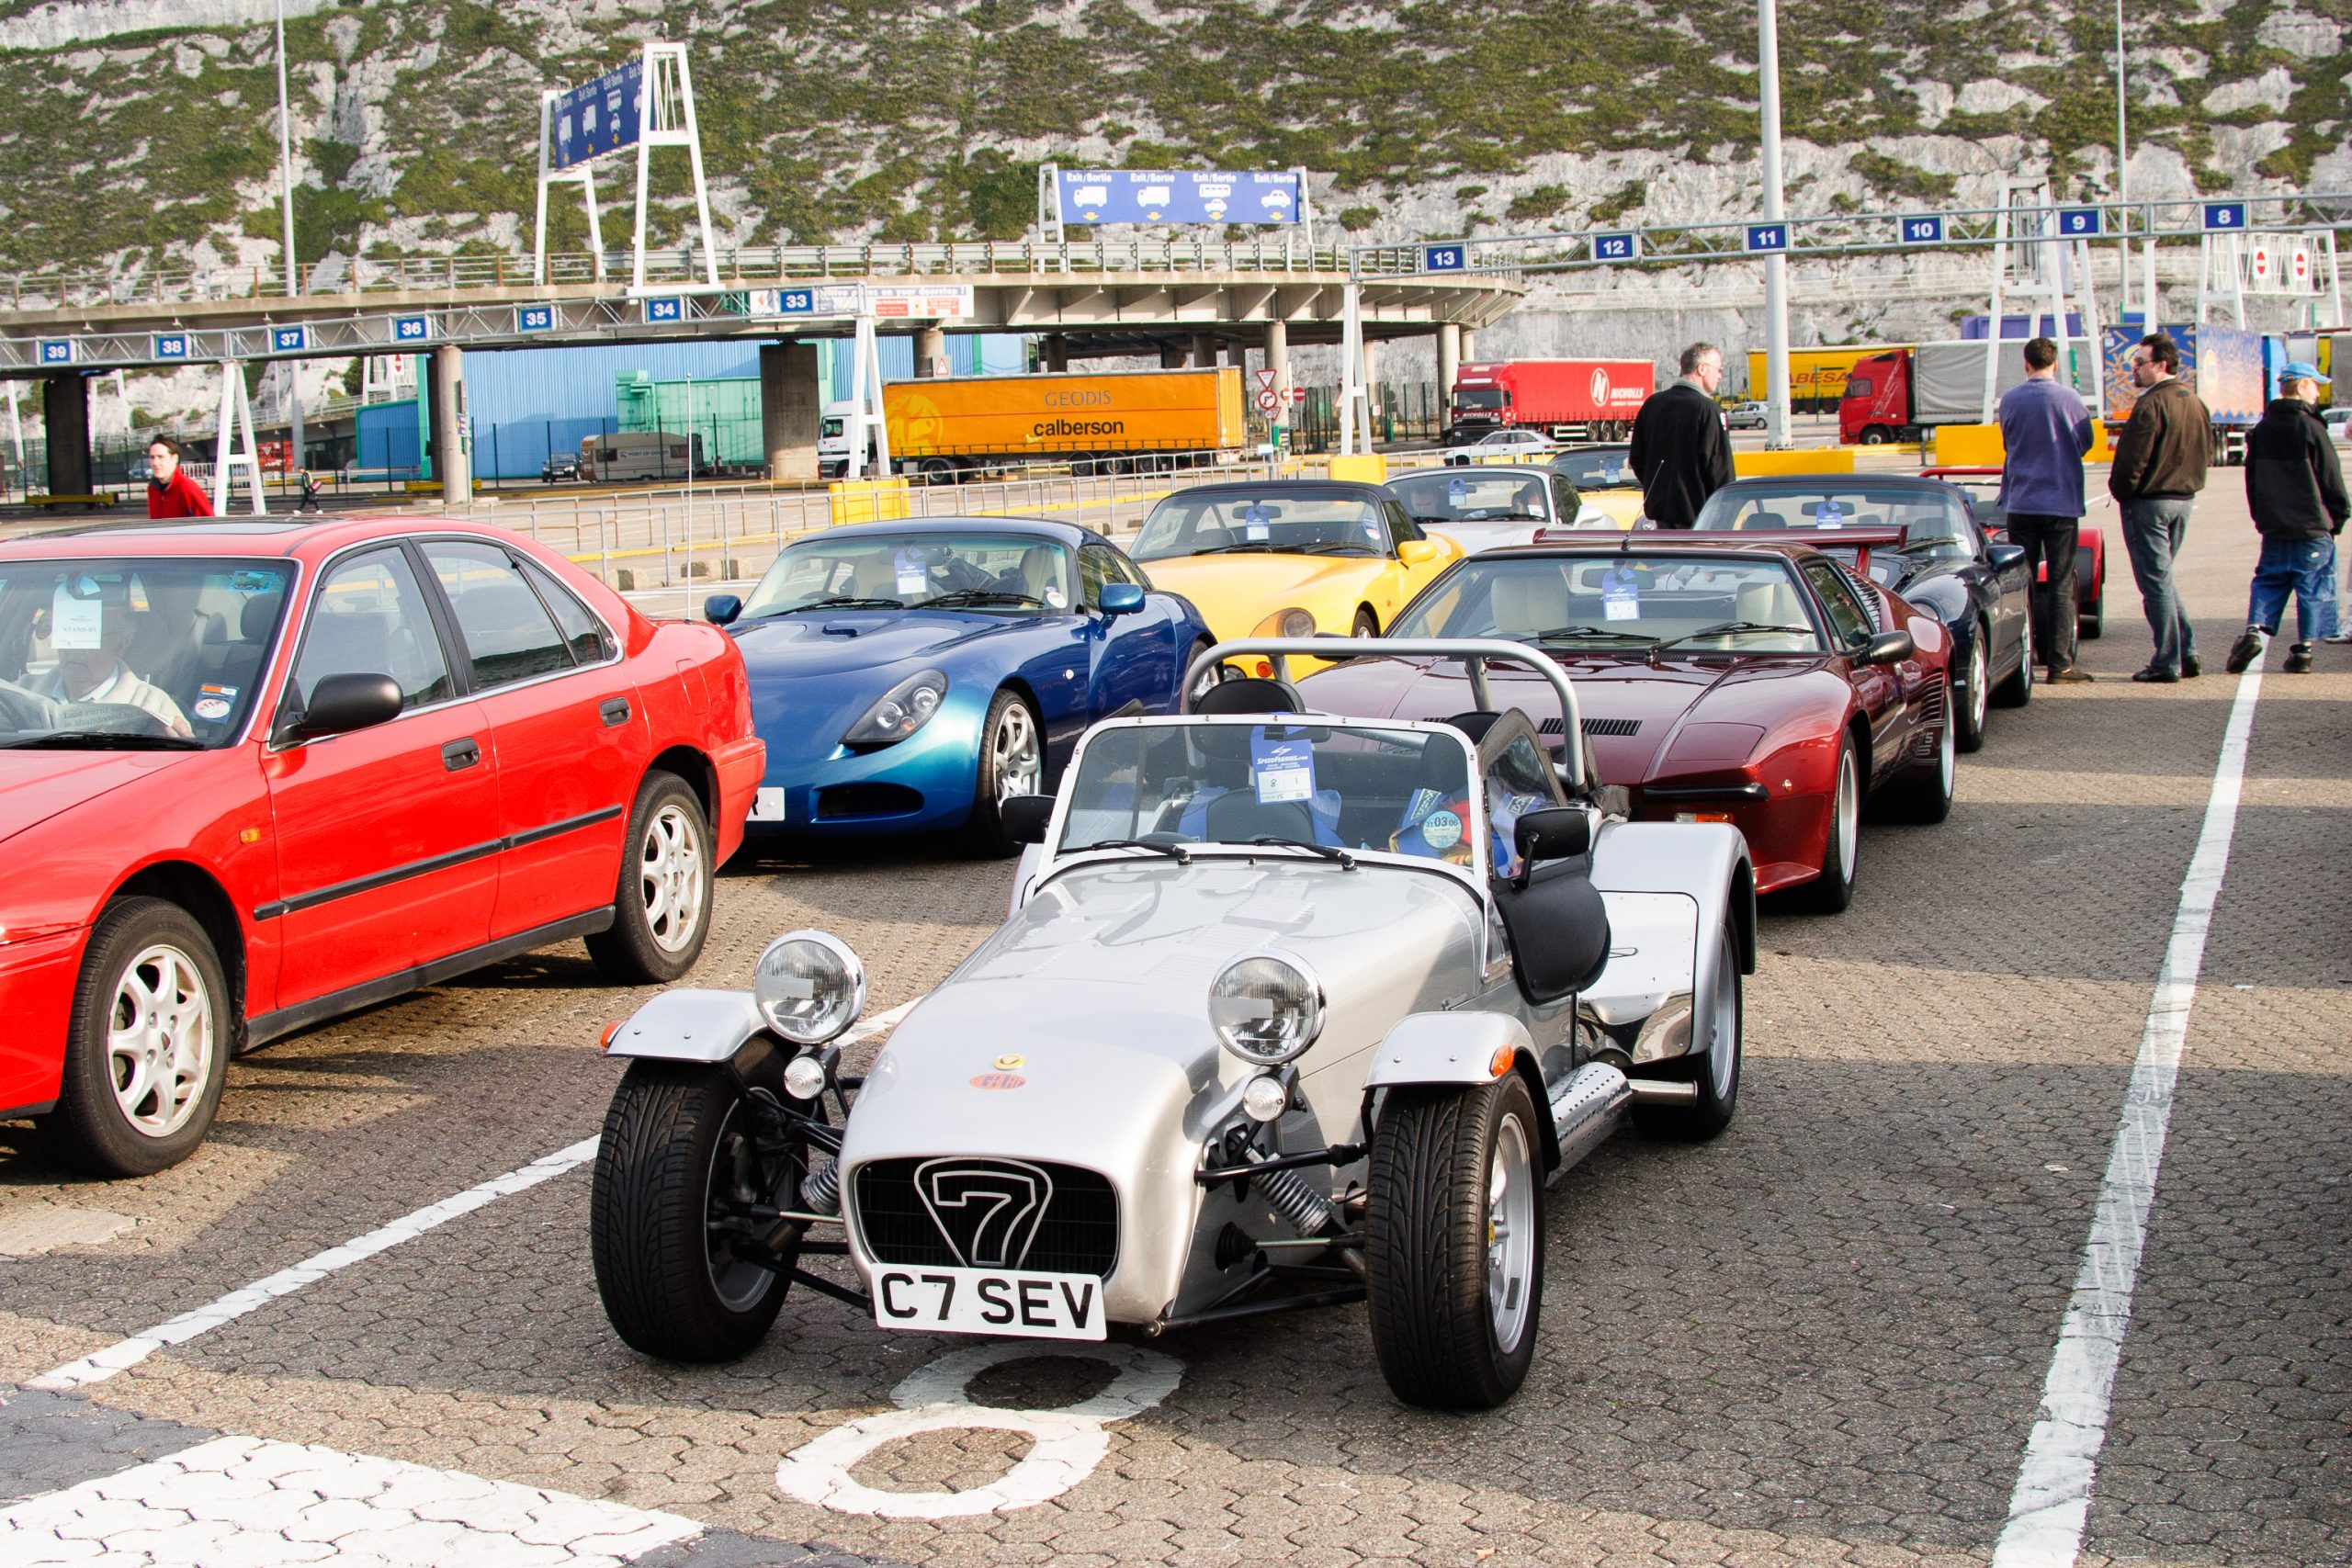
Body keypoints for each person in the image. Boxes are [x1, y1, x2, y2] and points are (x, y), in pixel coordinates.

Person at [2224, 361, 2347, 674]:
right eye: (2315, 385)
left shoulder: (2263, 429)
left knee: (2269, 579)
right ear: (2302, 386)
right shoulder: (2312, 427)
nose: (2318, 391)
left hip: (2275, 525)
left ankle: (2255, 630)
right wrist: (2340, 515)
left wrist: (2261, 517)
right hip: (2312, 525)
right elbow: (2330, 477)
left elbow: (2251, 480)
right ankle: (2303, 651)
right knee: (2313, 585)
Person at [2107, 333, 2210, 682]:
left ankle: (2167, 660)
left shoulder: (2151, 404)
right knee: (2162, 579)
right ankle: (2188, 651)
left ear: (2160, 365)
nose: (2134, 369)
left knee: (2154, 584)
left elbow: (2131, 459)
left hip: (2150, 503)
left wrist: (2122, 491)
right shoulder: (2193, 401)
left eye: (2140, 362)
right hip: (2183, 499)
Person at [1996, 336, 2097, 682]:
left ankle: (2022, 661)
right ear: (2055, 364)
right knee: (2059, 582)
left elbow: (2008, 441)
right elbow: (2084, 442)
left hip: (2022, 501)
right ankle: (2059, 663)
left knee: (2023, 583)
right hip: (2060, 503)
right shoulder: (2069, 399)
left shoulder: (2010, 400)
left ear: (2026, 364)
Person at [33, 579, 194, 737]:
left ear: (120, 646)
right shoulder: (23, 692)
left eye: (89, 637)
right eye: (67, 634)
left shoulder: (153, 705)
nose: (75, 648)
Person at [1627, 343, 1735, 529]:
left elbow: (1637, 459)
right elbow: (1720, 471)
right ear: (1702, 368)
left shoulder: (1652, 404)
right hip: (1699, 519)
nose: (1720, 376)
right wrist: (1723, 514)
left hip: (1660, 517)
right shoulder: (1708, 410)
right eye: (1718, 369)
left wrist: (1660, 487)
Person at [145, 435, 213, 519]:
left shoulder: (186, 487)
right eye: (152, 457)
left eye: (160, 457)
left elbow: (209, 522)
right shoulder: (153, 489)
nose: (155, 463)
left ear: (175, 458)